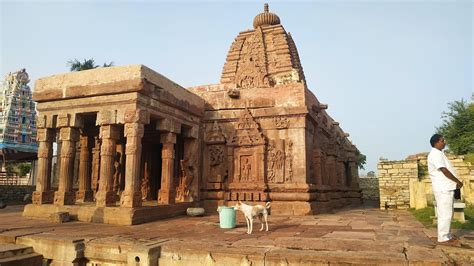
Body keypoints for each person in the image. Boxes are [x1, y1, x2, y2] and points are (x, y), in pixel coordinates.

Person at [427, 134, 463, 245]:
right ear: (436, 142)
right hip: (443, 188)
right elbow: (444, 170)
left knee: (447, 212)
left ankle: (446, 235)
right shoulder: (435, 154)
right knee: (445, 213)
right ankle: (443, 237)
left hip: (446, 187)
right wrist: (457, 181)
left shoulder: (439, 153)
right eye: (442, 141)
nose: (444, 142)